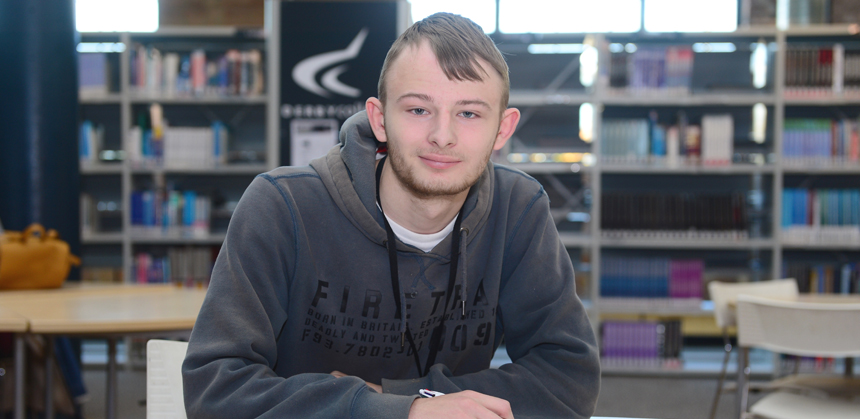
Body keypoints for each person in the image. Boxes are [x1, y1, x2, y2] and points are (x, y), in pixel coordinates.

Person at [182, 12, 600, 418]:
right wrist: (397, 410)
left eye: (469, 113)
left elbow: (569, 380)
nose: (442, 135)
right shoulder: (281, 207)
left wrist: (403, 400)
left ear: (503, 130)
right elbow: (215, 388)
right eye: (418, 110)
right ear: (380, 120)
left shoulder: (518, 209)